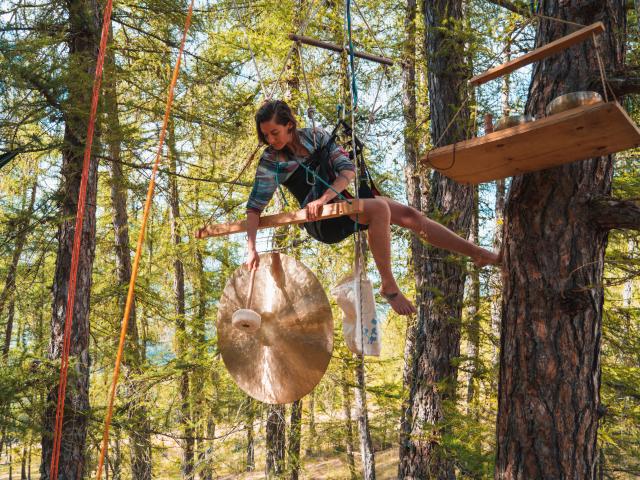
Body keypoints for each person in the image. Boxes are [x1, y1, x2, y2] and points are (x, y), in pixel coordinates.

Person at [245, 100, 499, 315]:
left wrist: (323, 198)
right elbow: (254, 208)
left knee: (409, 215)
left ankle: (476, 253)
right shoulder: (271, 160)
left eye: (274, 132)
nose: (270, 139)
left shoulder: (317, 137)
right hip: (319, 222)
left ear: (289, 124)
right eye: (265, 135)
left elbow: (348, 170)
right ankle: (388, 286)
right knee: (379, 209)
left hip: (338, 202)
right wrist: (252, 248)